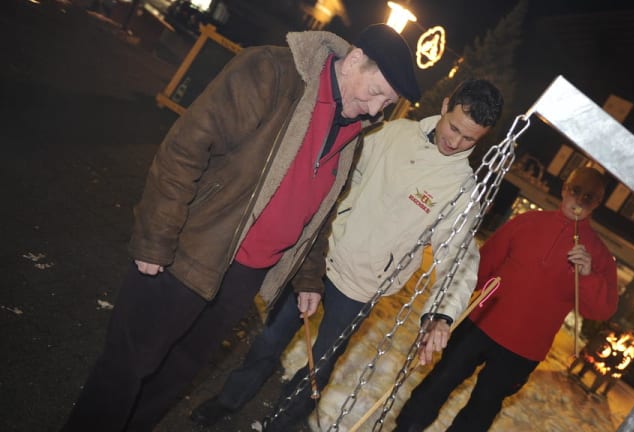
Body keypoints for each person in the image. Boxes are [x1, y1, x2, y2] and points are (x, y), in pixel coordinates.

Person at [61, 23, 421, 432]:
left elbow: (319, 211)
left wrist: (307, 277)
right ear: (354, 60)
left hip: (244, 277)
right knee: (127, 367)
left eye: (385, 104)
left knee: (177, 374)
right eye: (375, 93)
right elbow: (184, 150)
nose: (374, 109)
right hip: (190, 249)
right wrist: (157, 237)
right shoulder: (272, 72)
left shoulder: (354, 130)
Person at [189, 79, 504, 430]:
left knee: (319, 366)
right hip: (320, 258)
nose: (455, 142)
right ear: (445, 106)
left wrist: (442, 316)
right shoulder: (395, 134)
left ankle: (278, 426)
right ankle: (228, 400)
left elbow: (459, 257)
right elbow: (341, 174)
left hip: (361, 285)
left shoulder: (461, 189)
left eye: (469, 139)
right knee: (270, 339)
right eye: (454, 128)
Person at [394, 166, 619, 432]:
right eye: (575, 191)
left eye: (588, 198)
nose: (579, 201)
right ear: (564, 189)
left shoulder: (598, 256)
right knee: (440, 381)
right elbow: (482, 266)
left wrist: (588, 275)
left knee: (483, 408)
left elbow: (601, 311)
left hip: (524, 349)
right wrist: (448, 305)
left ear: (598, 203)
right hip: (481, 323)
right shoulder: (529, 222)